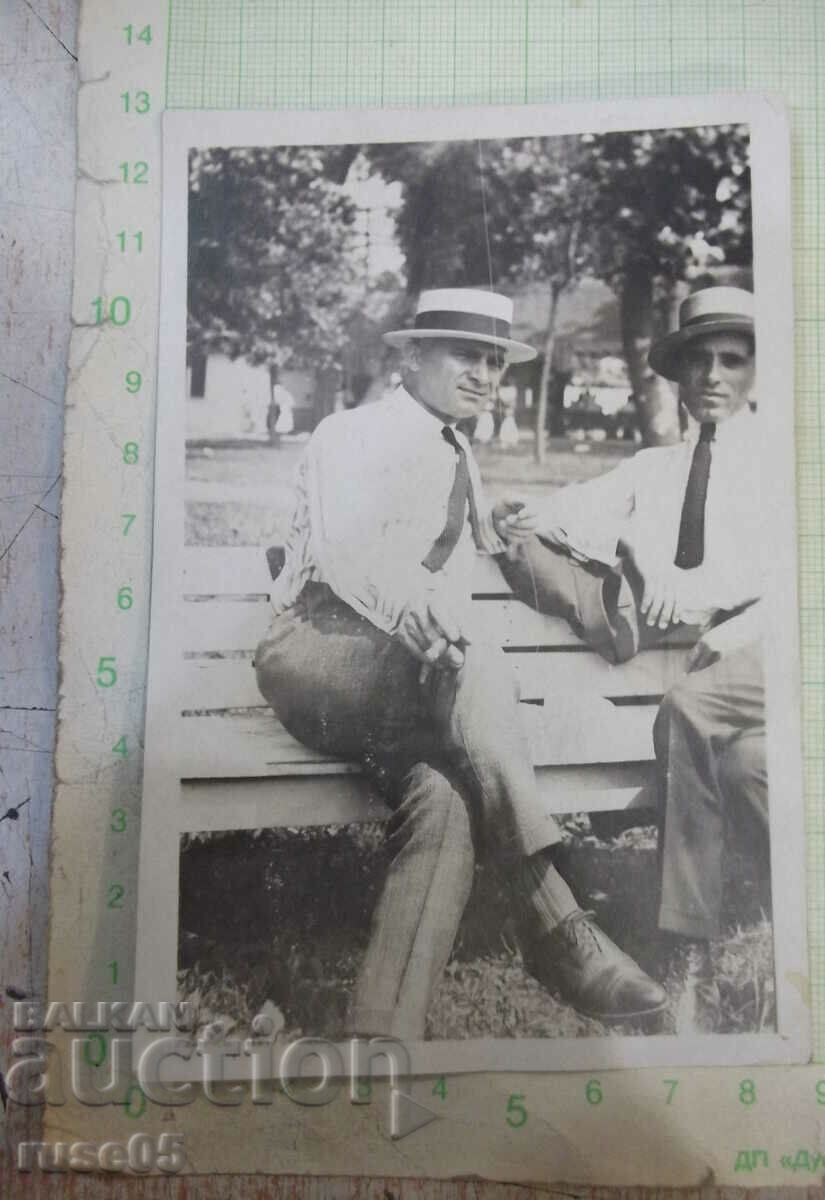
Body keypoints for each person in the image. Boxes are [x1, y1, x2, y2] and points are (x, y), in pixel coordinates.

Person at [255, 288, 667, 1039]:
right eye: (466, 357)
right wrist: (413, 608)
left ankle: (381, 1033)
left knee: (445, 794)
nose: (484, 376)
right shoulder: (350, 433)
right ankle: (556, 916)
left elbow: (493, 543)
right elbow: (348, 548)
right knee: (474, 665)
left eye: (494, 363)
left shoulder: (459, 451)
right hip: (320, 651)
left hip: (413, 682)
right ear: (410, 355)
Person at [502, 286, 768, 943]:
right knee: (746, 767)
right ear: (677, 378)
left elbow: (811, 576)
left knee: (687, 709)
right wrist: (521, 515)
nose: (712, 377)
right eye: (697, 362)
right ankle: (793, 903)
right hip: (710, 672)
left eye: (731, 361)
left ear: (758, 372)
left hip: (780, 647)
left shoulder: (783, 462)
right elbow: (563, 515)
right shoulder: (655, 470)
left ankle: (683, 936)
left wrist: (726, 614)